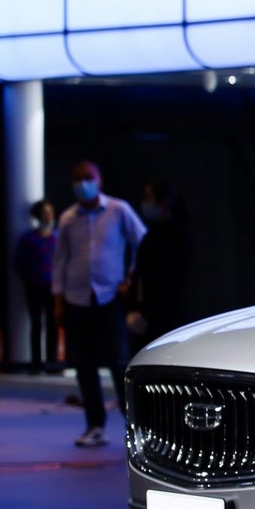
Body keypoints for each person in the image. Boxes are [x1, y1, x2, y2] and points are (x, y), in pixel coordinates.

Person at [51, 161, 147, 448]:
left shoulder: (118, 210)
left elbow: (142, 242)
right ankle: (95, 425)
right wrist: (58, 300)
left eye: (88, 178)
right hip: (77, 298)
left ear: (99, 180)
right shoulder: (68, 218)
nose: (83, 184)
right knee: (84, 366)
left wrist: (130, 277)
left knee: (119, 364)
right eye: (77, 179)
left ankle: (137, 428)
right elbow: (59, 260)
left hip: (110, 297)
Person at [129, 180, 193, 348]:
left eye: (148, 198)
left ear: (164, 203)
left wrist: (146, 312)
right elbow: (141, 275)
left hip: (166, 318)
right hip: (149, 318)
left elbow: (166, 280)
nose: (144, 203)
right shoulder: (151, 236)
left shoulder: (177, 236)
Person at [12, 199, 58, 371]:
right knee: (37, 324)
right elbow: (19, 263)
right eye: (45, 214)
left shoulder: (57, 237)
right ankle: (36, 363)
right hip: (35, 285)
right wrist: (29, 278)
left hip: (55, 287)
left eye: (50, 213)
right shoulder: (29, 239)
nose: (48, 217)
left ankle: (53, 363)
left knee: (53, 324)